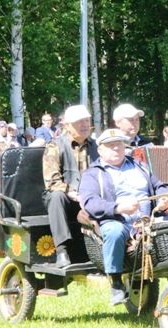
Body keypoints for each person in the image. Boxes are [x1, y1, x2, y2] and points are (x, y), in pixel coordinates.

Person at [79, 129, 168, 306]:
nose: (116, 149)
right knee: (114, 231)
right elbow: (90, 202)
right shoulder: (93, 173)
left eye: (119, 144)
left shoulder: (139, 166)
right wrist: (118, 208)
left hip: (148, 220)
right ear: (100, 151)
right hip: (117, 221)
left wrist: (164, 198)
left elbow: (158, 185)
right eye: (110, 146)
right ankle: (116, 282)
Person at [42, 105, 99, 268]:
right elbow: (52, 181)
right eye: (79, 121)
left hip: (90, 197)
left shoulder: (96, 146)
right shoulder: (55, 145)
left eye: (87, 120)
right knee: (56, 196)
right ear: (67, 125)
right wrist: (72, 193)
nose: (85, 125)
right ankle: (62, 251)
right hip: (66, 199)